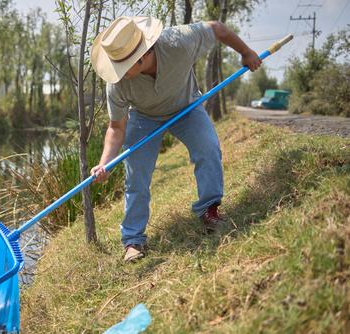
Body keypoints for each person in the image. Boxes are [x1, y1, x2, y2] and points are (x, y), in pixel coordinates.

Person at [89, 16, 261, 262]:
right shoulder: (117, 83)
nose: (120, 73)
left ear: (144, 53)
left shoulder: (178, 42)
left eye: (125, 66)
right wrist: (105, 162)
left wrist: (245, 51)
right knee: (136, 177)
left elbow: (217, 29)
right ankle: (133, 240)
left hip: (186, 106)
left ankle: (209, 210)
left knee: (208, 148)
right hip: (143, 117)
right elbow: (116, 127)